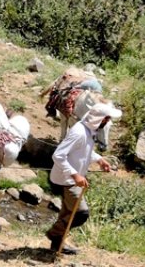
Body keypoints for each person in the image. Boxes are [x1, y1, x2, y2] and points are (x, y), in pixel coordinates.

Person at [46, 101, 122, 254]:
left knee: (68, 213)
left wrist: (99, 159)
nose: (107, 122)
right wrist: (75, 175)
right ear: (98, 118)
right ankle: (54, 233)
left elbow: (83, 150)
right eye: (106, 119)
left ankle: (57, 245)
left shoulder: (89, 131)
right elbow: (58, 155)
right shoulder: (79, 132)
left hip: (72, 178)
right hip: (67, 179)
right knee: (81, 213)